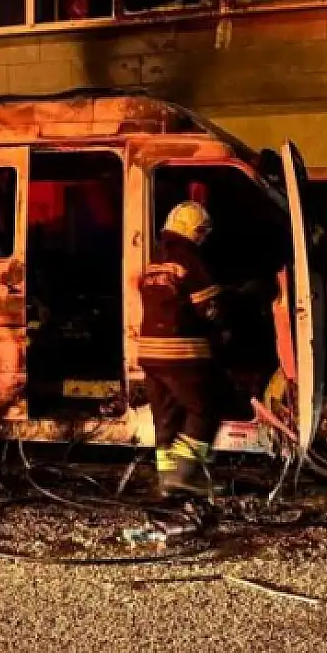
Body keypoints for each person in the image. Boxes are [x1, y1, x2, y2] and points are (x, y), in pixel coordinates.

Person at [137, 200, 224, 498]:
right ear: (189, 229)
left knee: (165, 416)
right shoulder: (190, 261)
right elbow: (208, 308)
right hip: (182, 351)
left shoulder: (153, 262)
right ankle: (184, 475)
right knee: (205, 408)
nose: (202, 237)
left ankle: (166, 481)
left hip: (148, 352)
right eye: (200, 231)